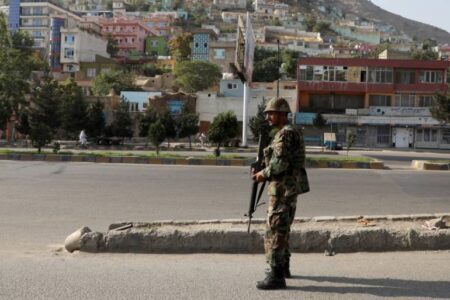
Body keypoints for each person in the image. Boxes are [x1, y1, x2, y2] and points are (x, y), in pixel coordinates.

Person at [252, 97, 310, 290]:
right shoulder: (291, 132)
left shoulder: (285, 134)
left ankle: (276, 276)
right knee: (283, 227)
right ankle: (283, 267)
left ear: (282, 114)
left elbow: (280, 163)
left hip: (283, 188)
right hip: (289, 188)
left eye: (271, 113)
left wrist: (263, 174)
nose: (268, 117)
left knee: (276, 228)